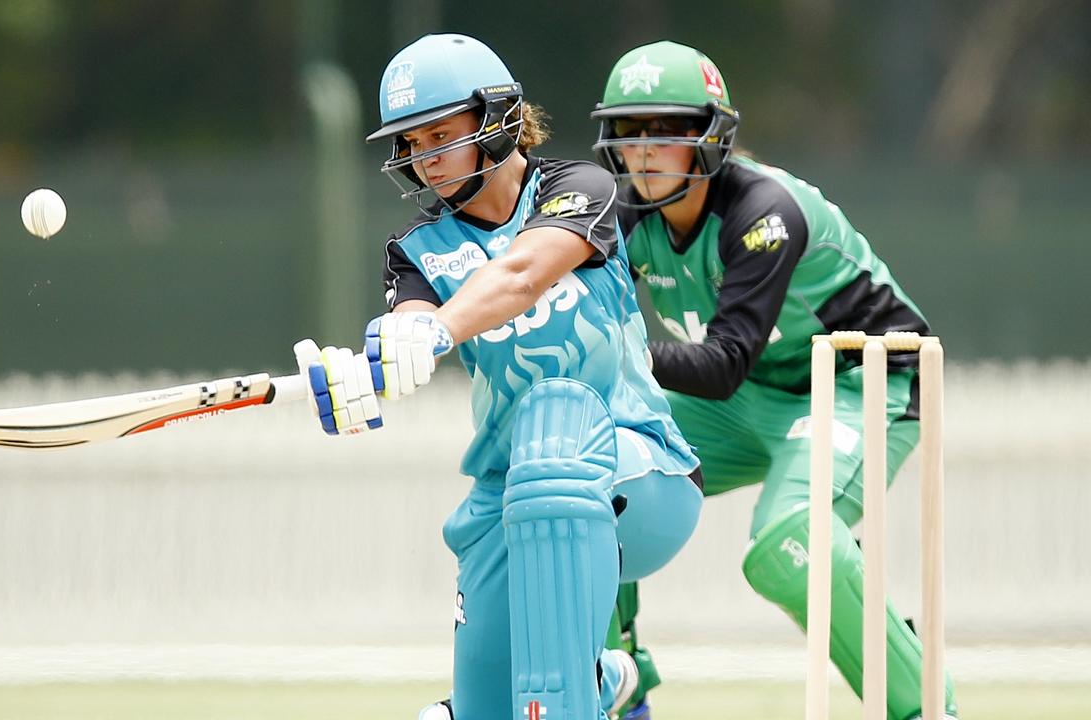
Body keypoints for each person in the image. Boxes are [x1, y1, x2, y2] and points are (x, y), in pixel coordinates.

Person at [293, 33, 704, 720]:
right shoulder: (414, 250)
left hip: (641, 468)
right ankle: (598, 679)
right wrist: (369, 370)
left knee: (556, 421)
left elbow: (520, 274)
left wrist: (440, 329)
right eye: (411, 142)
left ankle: (581, 687)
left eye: (440, 135)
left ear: (499, 118)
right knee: (478, 711)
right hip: (510, 491)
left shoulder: (581, 189)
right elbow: (410, 323)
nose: (424, 158)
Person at [588, 40, 958, 720]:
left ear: (710, 135)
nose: (643, 151)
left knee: (790, 549)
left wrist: (616, 349)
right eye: (630, 131)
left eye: (665, 130)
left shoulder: (763, 212)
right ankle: (618, 684)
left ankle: (925, 709)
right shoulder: (622, 215)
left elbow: (722, 365)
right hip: (755, 391)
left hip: (862, 382)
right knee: (591, 480)